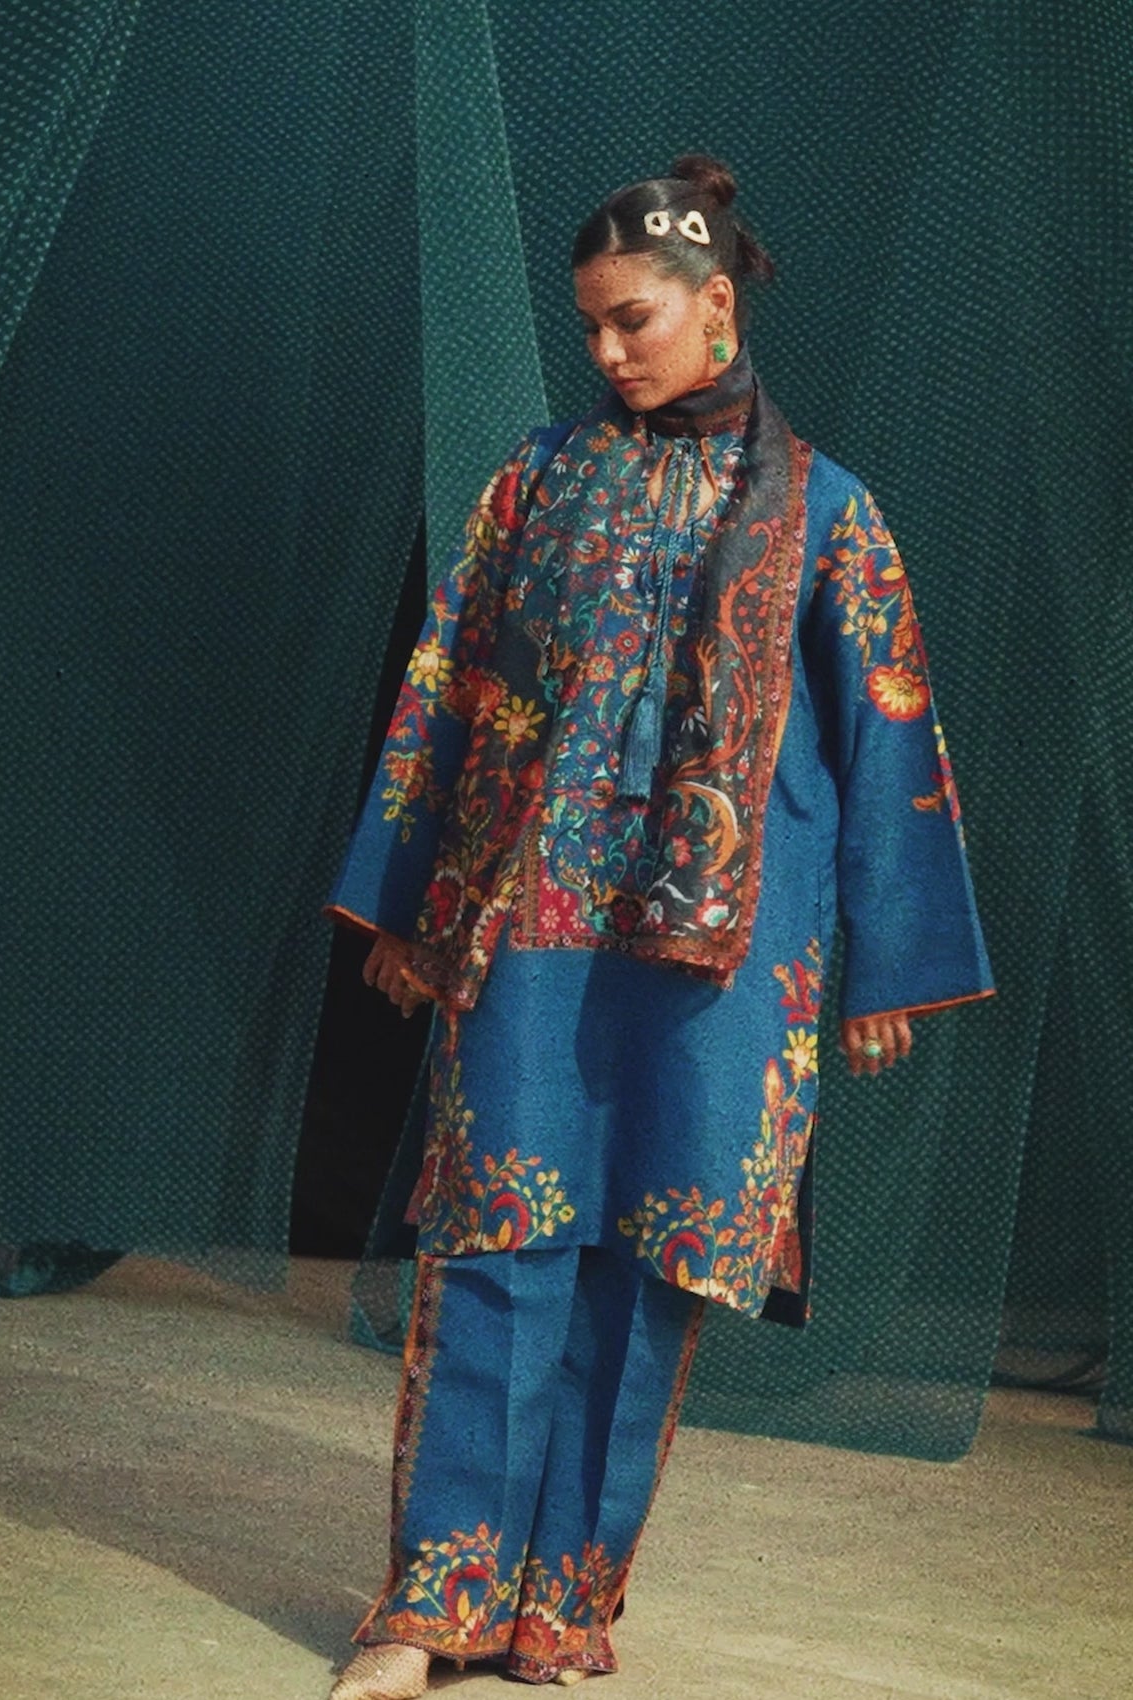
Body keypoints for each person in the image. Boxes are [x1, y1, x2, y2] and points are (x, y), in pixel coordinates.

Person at [325, 154, 993, 1697]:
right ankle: (434, 1603)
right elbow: (449, 685)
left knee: (654, 1260)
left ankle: (563, 1602)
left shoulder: (829, 512)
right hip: (531, 922)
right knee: (498, 1232)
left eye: (633, 320)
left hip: (729, 952)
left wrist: (882, 972)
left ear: (717, 305)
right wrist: (415, 905)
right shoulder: (537, 482)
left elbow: (892, 734)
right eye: (592, 327)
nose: (609, 351)